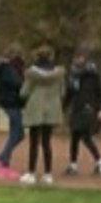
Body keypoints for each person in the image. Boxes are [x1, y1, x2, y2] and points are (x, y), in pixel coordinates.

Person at [19, 45, 65, 185]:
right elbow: (62, 92)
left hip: (35, 108)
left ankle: (31, 173)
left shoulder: (31, 74)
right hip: (51, 109)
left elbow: (24, 92)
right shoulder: (59, 74)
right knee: (47, 142)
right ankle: (48, 173)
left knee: (34, 142)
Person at [64, 49, 101, 176]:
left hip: (88, 108)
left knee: (85, 136)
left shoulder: (93, 74)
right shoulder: (73, 75)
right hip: (76, 108)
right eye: (77, 57)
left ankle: (99, 160)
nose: (78, 60)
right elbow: (69, 93)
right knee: (74, 136)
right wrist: (62, 108)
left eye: (81, 57)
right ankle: (73, 163)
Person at [0, 45, 26, 180]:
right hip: (11, 103)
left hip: (12, 103)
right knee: (17, 133)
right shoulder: (7, 69)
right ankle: (1, 161)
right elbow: (17, 83)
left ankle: (3, 160)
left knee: (17, 133)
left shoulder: (7, 68)